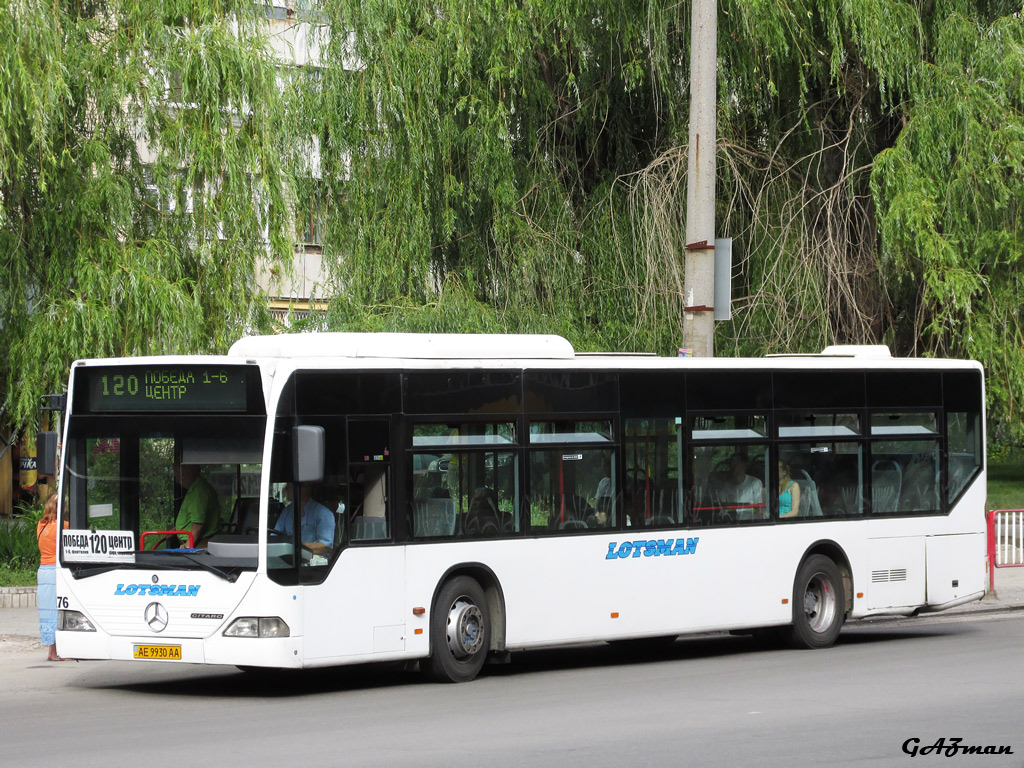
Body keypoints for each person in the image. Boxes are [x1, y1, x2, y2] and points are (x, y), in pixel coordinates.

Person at [36, 492, 66, 661]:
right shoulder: (64, 526)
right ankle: (58, 652)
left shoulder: (41, 525)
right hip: (56, 570)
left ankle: (51, 651)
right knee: (59, 609)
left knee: (48, 611)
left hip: (43, 571)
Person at [168, 464, 221, 548]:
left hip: (197, 544)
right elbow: (190, 518)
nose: (177, 480)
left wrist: (187, 548)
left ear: (188, 473)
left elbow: (197, 525)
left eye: (177, 475)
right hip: (195, 542)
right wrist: (176, 529)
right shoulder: (196, 488)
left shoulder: (199, 491)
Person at [274, 484, 334, 555]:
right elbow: (274, 536)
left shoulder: (323, 513)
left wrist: (296, 547)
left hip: (313, 563)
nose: (285, 488)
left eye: (289, 485)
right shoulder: (287, 511)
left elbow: (325, 546)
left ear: (302, 488)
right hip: (288, 560)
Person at [717, 452, 766, 521]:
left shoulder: (754, 483)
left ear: (744, 464)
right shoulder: (726, 486)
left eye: (736, 463)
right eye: (731, 463)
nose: (733, 466)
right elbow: (721, 508)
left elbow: (759, 510)